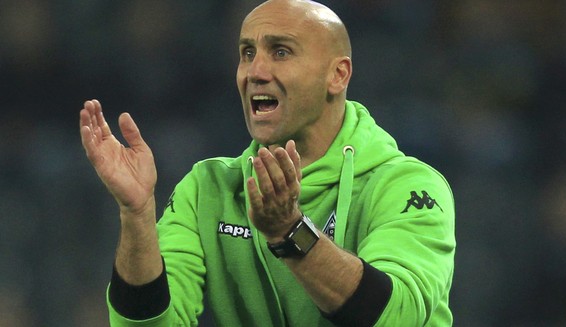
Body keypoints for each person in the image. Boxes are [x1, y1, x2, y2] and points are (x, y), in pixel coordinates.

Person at [79, 0, 455, 326]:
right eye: (246, 53)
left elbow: (397, 317)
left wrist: (292, 233)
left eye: (280, 52)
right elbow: (148, 325)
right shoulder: (208, 188)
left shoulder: (407, 186)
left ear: (337, 75)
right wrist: (138, 214)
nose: (254, 72)